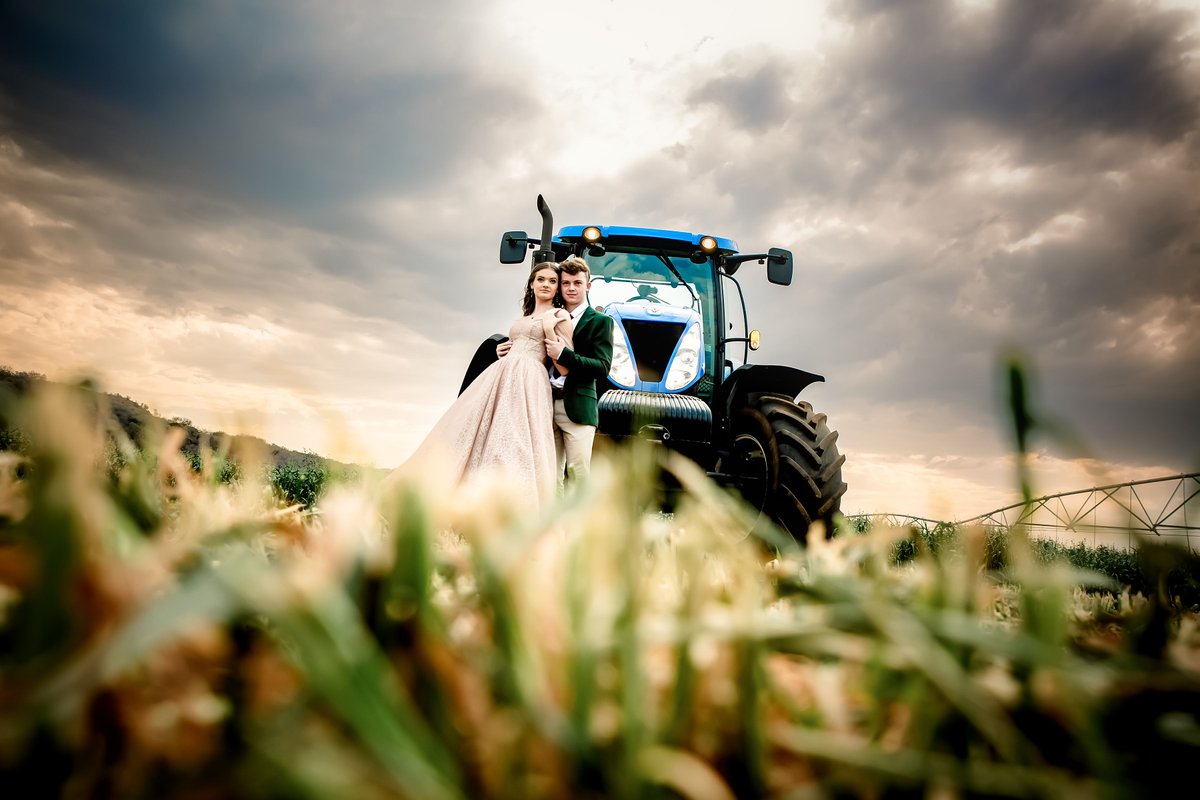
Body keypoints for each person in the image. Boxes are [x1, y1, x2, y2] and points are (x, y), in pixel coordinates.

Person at [383, 262, 572, 507]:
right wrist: (501, 350)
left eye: (552, 281)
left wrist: (548, 329)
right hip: (501, 376)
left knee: (517, 441)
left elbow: (564, 367)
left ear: (558, 288)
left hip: (530, 381)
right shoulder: (523, 317)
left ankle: (509, 504)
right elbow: (519, 342)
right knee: (476, 432)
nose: (546, 284)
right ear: (532, 284)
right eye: (541, 279)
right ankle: (465, 498)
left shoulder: (560, 316)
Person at [543, 255, 614, 486]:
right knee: (549, 476)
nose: (571, 288)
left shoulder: (601, 322)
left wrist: (564, 355)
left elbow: (602, 367)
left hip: (578, 408)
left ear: (588, 286)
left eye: (577, 283)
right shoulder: (549, 317)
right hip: (544, 404)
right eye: (566, 283)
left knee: (578, 476)